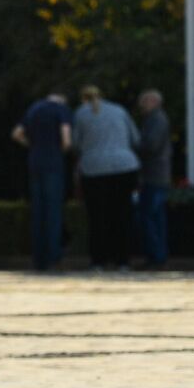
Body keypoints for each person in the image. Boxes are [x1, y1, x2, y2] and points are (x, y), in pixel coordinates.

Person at [72, 83, 141, 271]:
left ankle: (98, 261)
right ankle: (123, 261)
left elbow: (75, 143)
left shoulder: (81, 114)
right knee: (122, 215)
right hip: (124, 166)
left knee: (97, 217)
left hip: (94, 168)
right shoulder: (119, 110)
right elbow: (135, 138)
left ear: (83, 98)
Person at [11, 84, 73, 272]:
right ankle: (54, 258)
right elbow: (67, 139)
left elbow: (16, 134)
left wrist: (32, 145)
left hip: (35, 162)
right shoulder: (61, 109)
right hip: (53, 163)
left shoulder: (34, 108)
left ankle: (39, 259)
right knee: (53, 212)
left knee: (38, 212)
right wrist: (61, 151)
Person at [136, 89, 173, 269]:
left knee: (149, 217)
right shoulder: (156, 119)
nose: (141, 104)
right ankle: (157, 255)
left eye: (144, 100)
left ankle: (156, 256)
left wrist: (135, 144)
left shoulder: (156, 120)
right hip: (157, 175)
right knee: (155, 217)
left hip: (154, 175)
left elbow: (150, 145)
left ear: (153, 101)